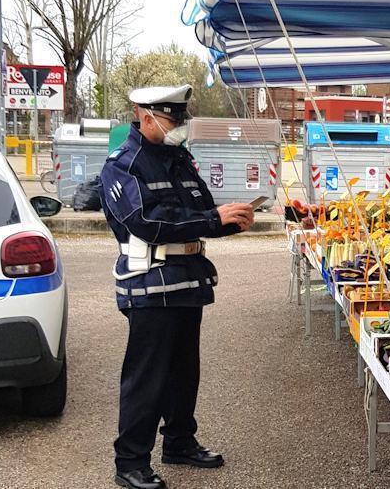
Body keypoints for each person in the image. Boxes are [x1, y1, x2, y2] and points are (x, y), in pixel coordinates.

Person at [100, 85, 255, 489]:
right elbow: (145, 222)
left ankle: (179, 442)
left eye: (180, 119)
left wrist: (229, 220)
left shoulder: (180, 159)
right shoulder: (124, 165)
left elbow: (201, 212)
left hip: (188, 279)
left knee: (185, 372)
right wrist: (210, 220)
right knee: (147, 376)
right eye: (171, 119)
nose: (178, 128)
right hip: (149, 284)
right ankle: (131, 462)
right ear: (143, 114)